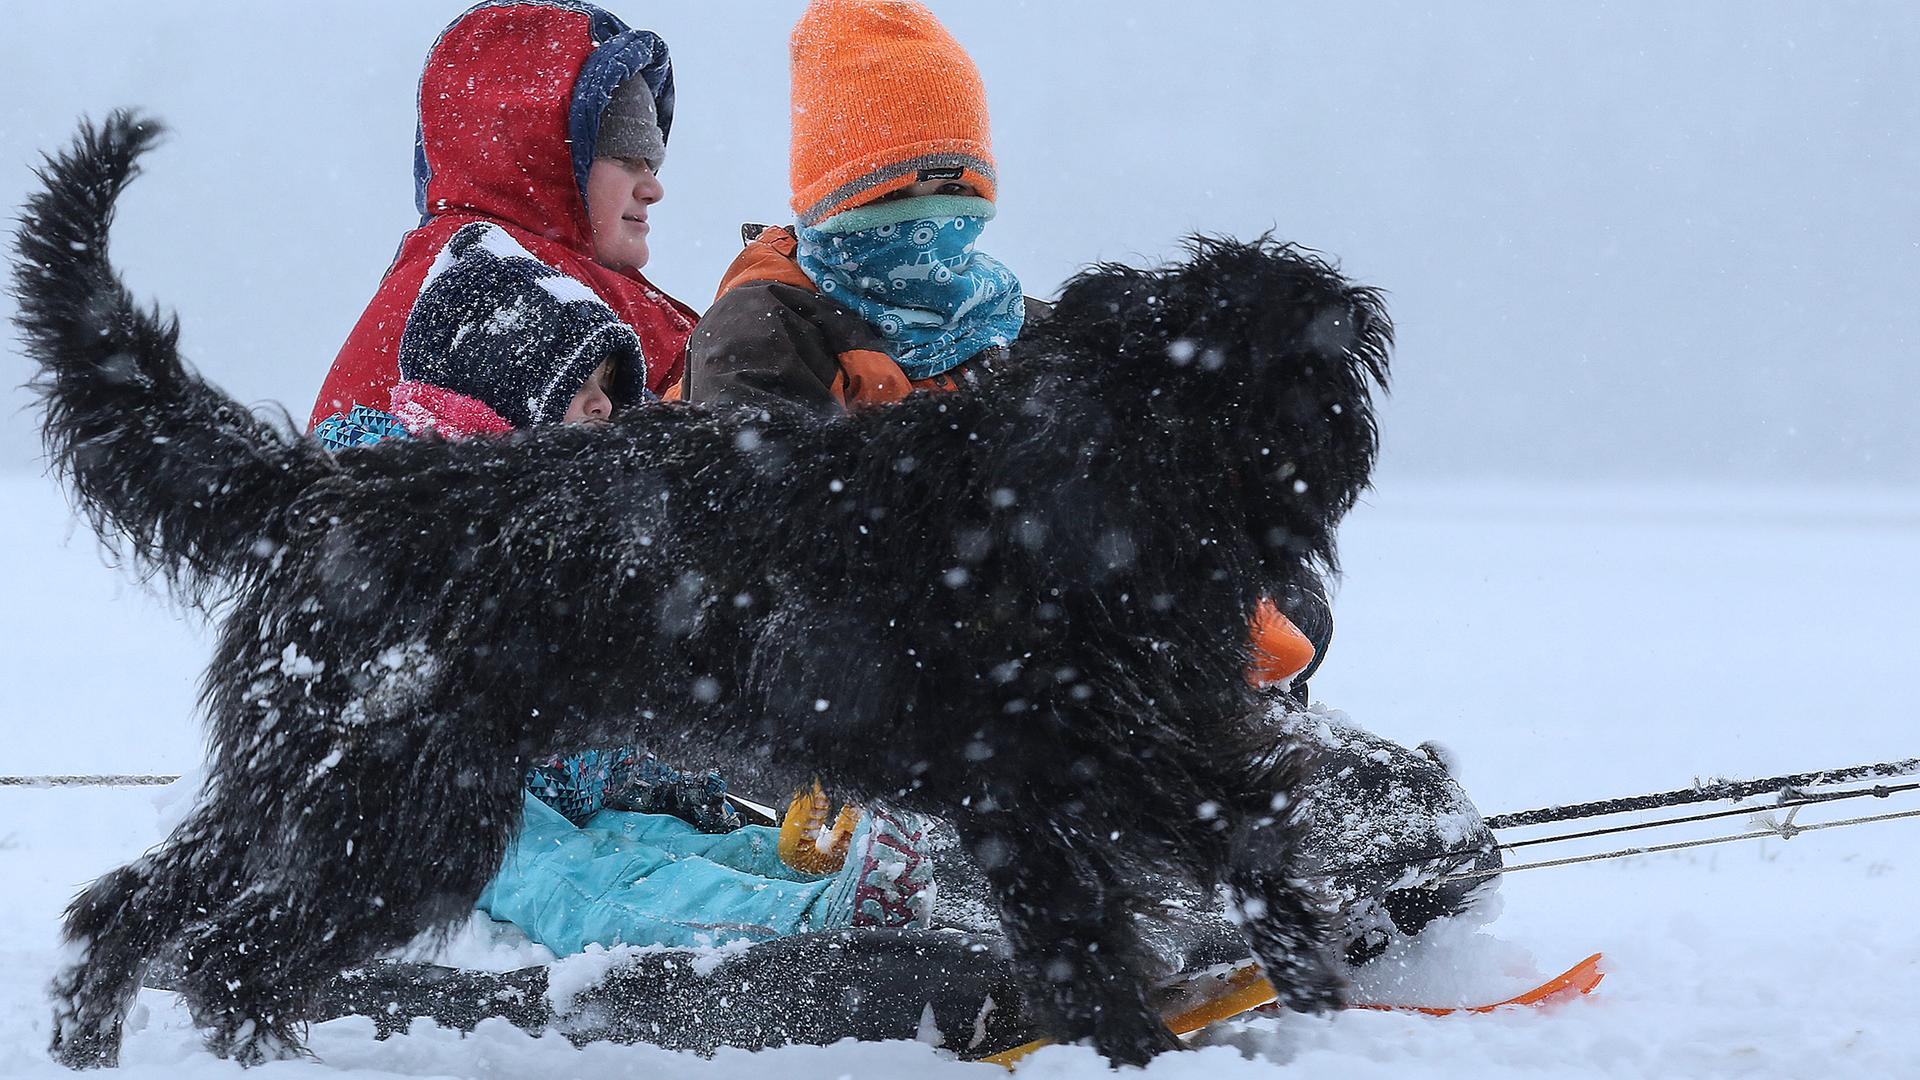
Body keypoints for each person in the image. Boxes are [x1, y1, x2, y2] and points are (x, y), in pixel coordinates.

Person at [307, 0, 933, 959]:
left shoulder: (591, 309)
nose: (653, 181)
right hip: (468, 777)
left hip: (587, 753)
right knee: (581, 872)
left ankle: (845, 892)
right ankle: (805, 935)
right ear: (533, 150)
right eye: (623, 148)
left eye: (656, 147)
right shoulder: (473, 303)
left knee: (670, 840)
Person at [310, 0, 696, 433]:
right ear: (542, 156)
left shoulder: (523, 282)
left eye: (652, 164)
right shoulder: (470, 295)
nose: (653, 189)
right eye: (625, 158)